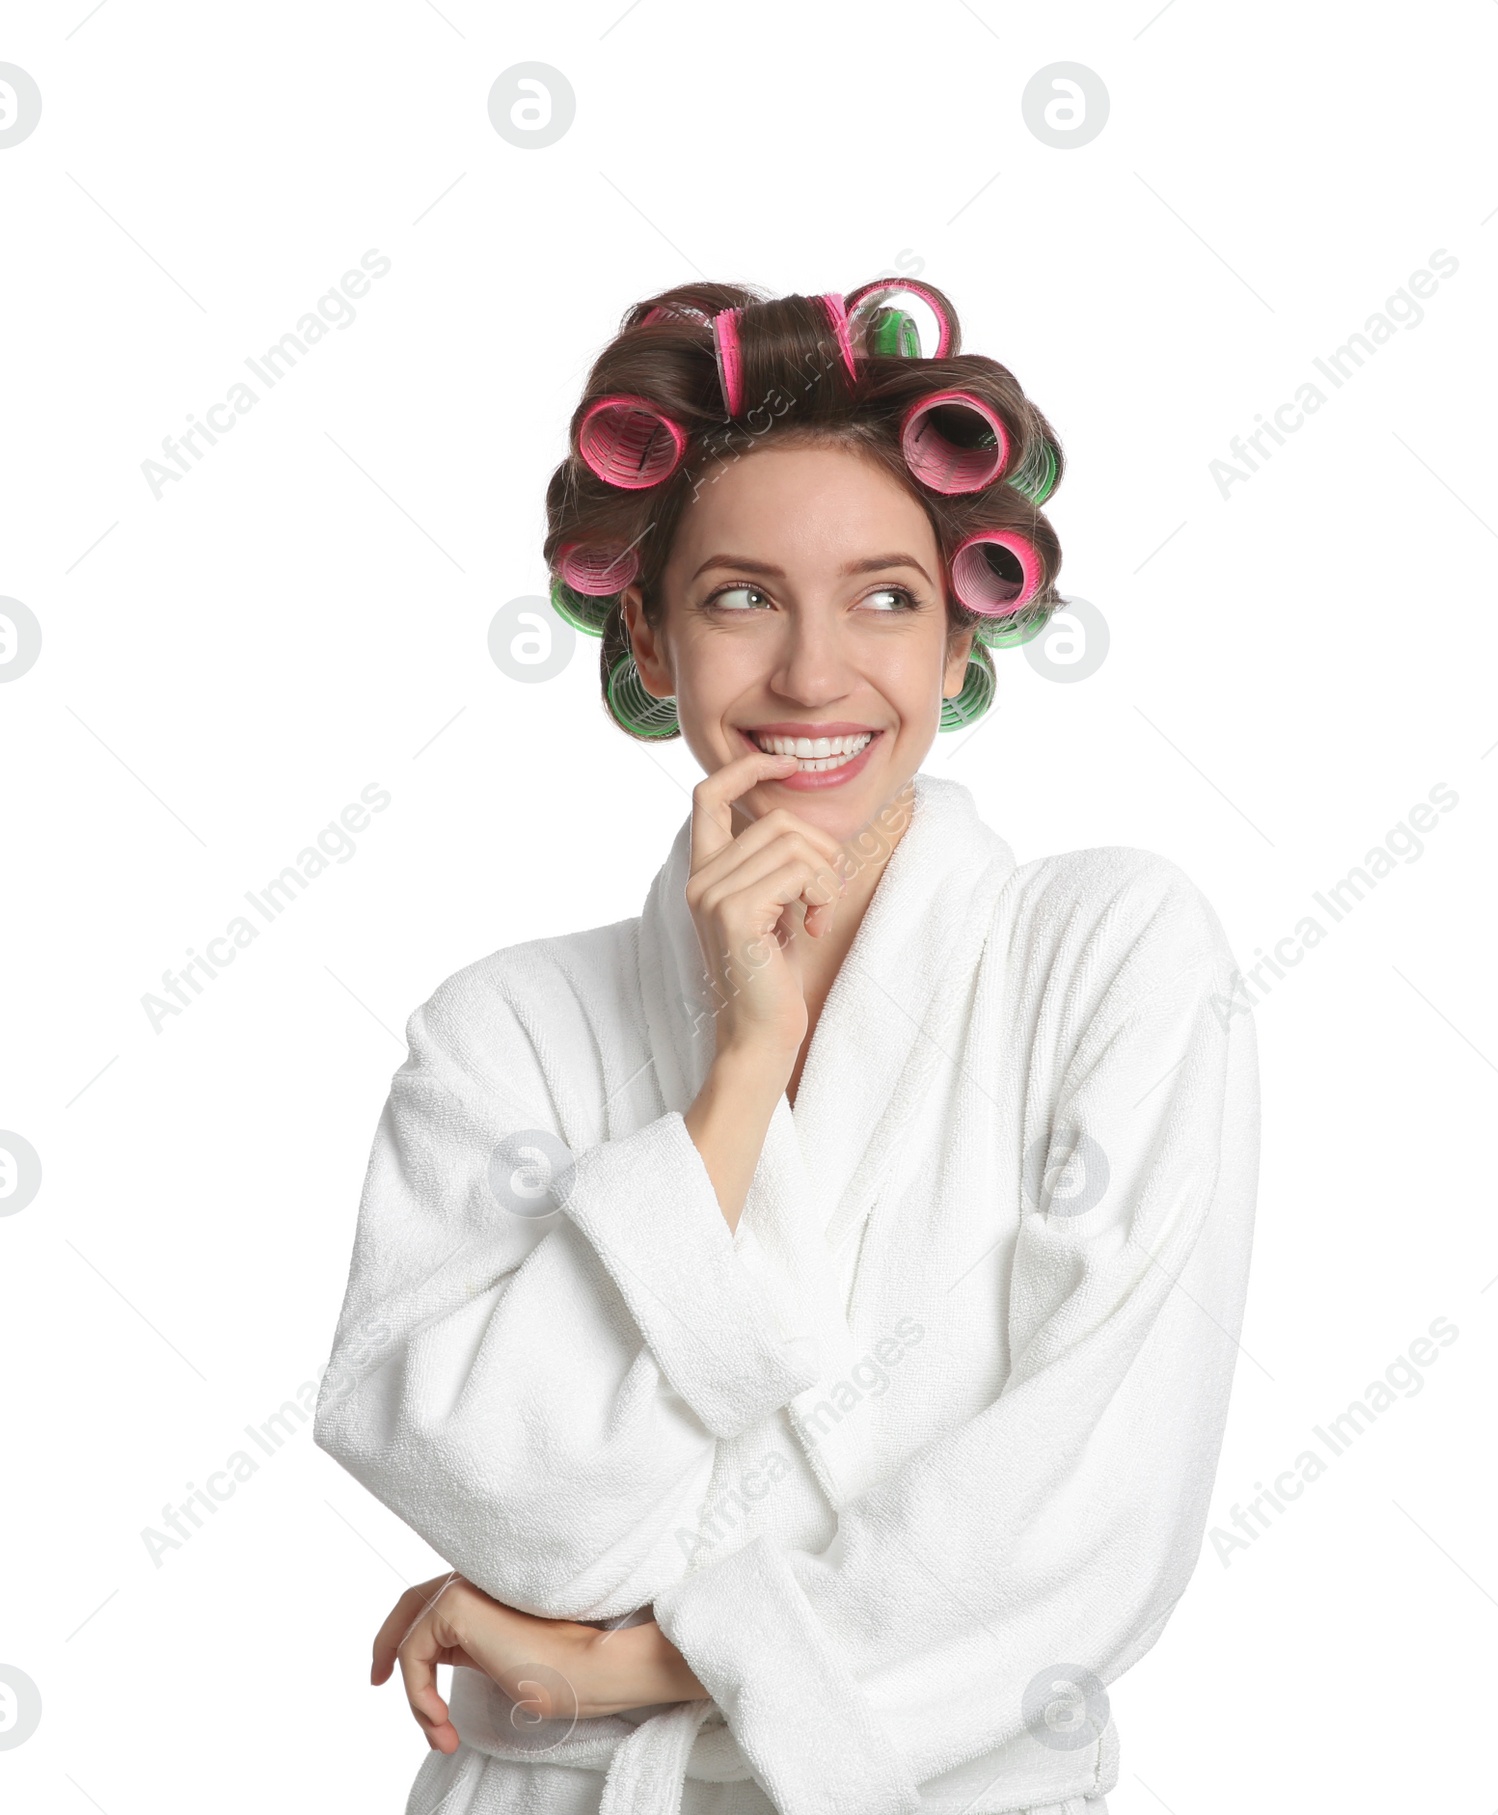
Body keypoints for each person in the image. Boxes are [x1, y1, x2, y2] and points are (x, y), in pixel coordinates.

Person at [313, 279, 1261, 1815]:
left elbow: (1093, 1514)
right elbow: (511, 1507)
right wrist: (738, 1080)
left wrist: (635, 1662)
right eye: (743, 597)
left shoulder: (1106, 957)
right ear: (651, 634)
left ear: (963, 638)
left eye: (887, 597)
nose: (817, 676)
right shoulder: (504, 1031)